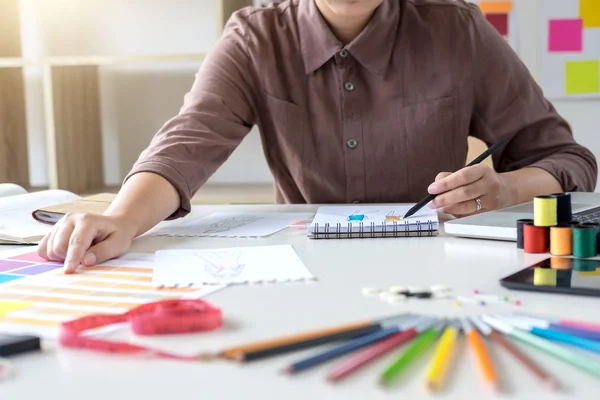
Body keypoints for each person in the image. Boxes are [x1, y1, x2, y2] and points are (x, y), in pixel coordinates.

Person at [38, 0, 597, 273]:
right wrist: (123, 218)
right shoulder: (254, 37)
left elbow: (568, 159)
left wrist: (505, 189)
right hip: (302, 269)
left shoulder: (459, 28)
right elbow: (188, 141)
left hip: (442, 268)